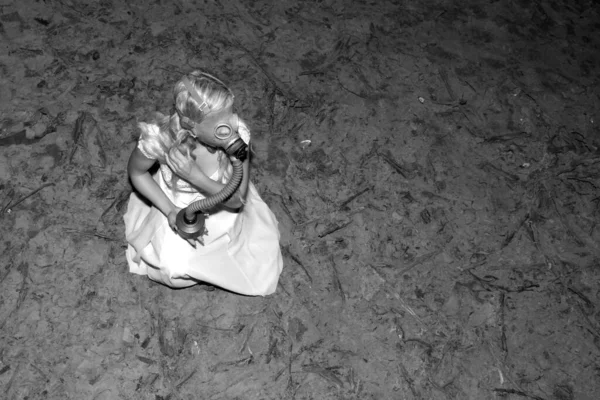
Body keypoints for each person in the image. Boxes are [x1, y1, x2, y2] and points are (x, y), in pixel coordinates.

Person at [123, 70, 283, 296]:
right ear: (191, 125)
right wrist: (170, 211)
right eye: (220, 123)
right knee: (174, 271)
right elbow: (137, 173)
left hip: (222, 204)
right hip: (176, 203)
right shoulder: (161, 138)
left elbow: (237, 200)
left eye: (231, 114)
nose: (233, 124)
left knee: (233, 259)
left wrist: (196, 177)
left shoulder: (235, 134)